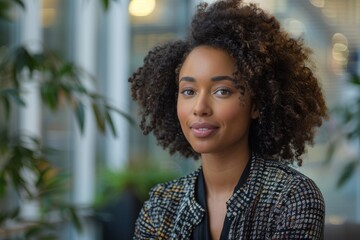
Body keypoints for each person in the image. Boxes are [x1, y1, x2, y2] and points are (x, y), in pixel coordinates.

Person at [129, 0, 328, 239]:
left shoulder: (291, 197)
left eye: (222, 91)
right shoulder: (161, 206)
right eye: (189, 92)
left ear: (256, 104)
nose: (200, 108)